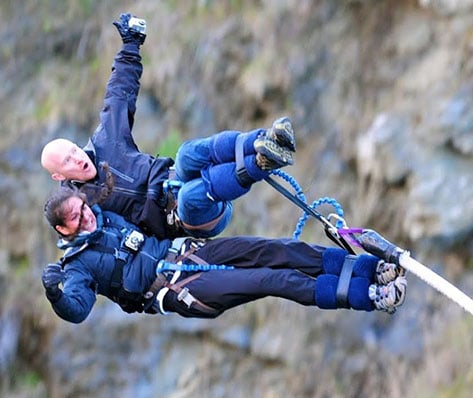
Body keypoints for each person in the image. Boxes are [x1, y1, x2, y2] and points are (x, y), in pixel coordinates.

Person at [40, 12, 296, 240]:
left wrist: (131, 45)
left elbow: (118, 95)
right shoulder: (78, 209)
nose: (77, 158)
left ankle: (267, 140)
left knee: (186, 153)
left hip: (178, 179)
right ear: (59, 176)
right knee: (189, 197)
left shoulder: (106, 141)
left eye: (73, 151)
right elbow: (82, 247)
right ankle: (260, 164)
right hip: (188, 218)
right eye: (67, 162)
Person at [41, 186, 408, 323]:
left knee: (278, 249)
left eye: (82, 207)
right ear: (63, 229)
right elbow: (78, 309)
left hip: (187, 251)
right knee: (271, 278)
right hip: (177, 290)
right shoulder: (76, 268)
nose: (85, 214)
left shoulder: (110, 212)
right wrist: (56, 294)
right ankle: (370, 296)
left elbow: (117, 116)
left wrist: (131, 47)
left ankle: (369, 269)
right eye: (76, 216)